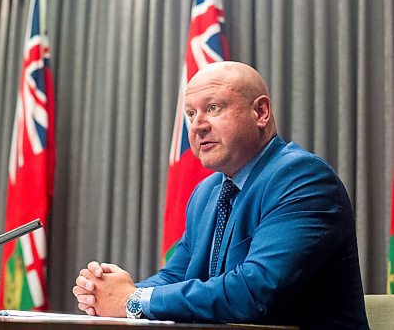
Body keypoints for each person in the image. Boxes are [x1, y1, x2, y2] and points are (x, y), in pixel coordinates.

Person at [72, 61, 369, 328]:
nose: (198, 125)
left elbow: (253, 293)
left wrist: (133, 301)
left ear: (260, 112)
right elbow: (177, 277)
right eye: (191, 113)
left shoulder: (302, 178)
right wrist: (112, 293)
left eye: (213, 108)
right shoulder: (206, 192)